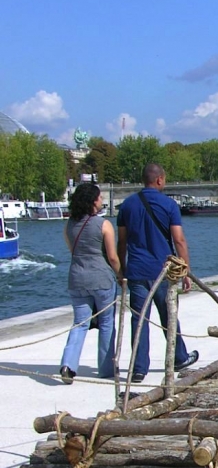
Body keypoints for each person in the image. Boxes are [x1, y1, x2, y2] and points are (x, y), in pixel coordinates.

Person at [116, 163, 198, 383]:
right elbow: (178, 240)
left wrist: (122, 269)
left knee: (139, 319)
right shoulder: (169, 205)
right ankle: (179, 357)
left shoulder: (126, 206)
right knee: (168, 316)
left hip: (136, 270)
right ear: (160, 179)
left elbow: (121, 241)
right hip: (162, 271)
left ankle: (138, 368)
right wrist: (186, 271)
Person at [59, 183, 120, 384]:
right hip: (101, 278)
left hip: (76, 278)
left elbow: (72, 251)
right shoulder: (103, 225)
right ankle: (106, 367)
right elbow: (112, 257)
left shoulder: (69, 225)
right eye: (100, 198)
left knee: (80, 323)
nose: (102, 200)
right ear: (93, 201)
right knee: (106, 323)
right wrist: (120, 274)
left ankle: (68, 365)